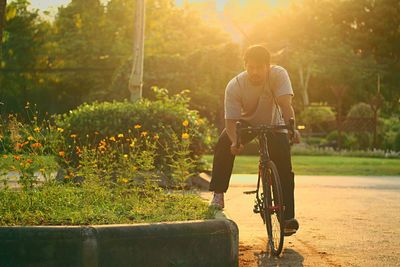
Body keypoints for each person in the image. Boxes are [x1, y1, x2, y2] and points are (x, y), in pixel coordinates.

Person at [209, 44, 301, 235]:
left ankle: (287, 219)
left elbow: (285, 106)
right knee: (224, 143)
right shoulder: (235, 85)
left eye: (259, 67)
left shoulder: (279, 75)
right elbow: (230, 121)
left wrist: (292, 128)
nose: (255, 72)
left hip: (274, 123)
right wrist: (235, 142)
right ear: (245, 65)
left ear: (268, 66)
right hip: (245, 122)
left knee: (284, 166)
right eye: (251, 67)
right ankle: (218, 193)